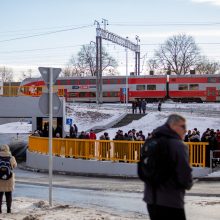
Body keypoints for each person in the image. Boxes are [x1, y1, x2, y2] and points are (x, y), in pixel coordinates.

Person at [144, 114, 193, 220]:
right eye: (183, 127)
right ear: (173, 126)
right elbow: (185, 174)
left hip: (151, 200)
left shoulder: (151, 141)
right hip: (171, 201)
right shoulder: (178, 145)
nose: (185, 130)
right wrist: (188, 184)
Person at [0, 144, 17, 213]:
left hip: (0, 179)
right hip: (9, 179)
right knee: (8, 195)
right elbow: (15, 166)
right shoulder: (11, 158)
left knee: (0, 195)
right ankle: (8, 209)